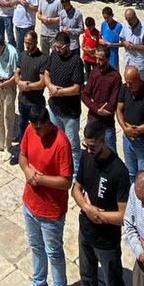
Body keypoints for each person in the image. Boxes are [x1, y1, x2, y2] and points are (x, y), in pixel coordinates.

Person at [72, 118, 129, 286]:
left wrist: (100, 216)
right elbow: (76, 190)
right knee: (87, 279)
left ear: (103, 141)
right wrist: (87, 209)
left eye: (93, 146)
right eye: (86, 145)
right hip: (86, 232)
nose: (89, 150)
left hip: (106, 241)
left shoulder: (118, 171)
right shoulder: (87, 158)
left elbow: (123, 216)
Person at [17, 105, 71, 286]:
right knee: (36, 247)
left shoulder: (61, 143)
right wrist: (27, 171)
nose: (36, 132)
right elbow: (22, 156)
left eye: (39, 128)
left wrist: (40, 179)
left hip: (51, 211)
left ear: (47, 123)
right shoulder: (30, 130)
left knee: (54, 254)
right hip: (30, 203)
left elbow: (66, 182)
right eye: (34, 128)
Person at [43, 31, 85, 178]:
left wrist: (59, 92)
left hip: (70, 112)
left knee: (72, 145)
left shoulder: (76, 61)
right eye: (56, 46)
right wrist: (51, 87)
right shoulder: (54, 55)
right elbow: (46, 73)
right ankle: (58, 167)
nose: (57, 49)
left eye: (60, 47)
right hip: (54, 108)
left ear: (67, 46)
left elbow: (77, 88)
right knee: (56, 140)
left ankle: (75, 174)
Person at [118, 65, 144, 180]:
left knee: (143, 176)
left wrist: (136, 130)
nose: (128, 85)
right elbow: (119, 110)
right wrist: (125, 128)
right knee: (130, 173)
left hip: (142, 141)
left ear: (138, 79)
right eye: (127, 82)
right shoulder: (124, 88)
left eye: (130, 83)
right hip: (127, 138)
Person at [81, 48, 121, 152]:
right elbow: (85, 95)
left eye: (101, 59)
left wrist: (99, 108)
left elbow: (112, 103)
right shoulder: (94, 73)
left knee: (110, 153)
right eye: (96, 59)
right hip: (93, 120)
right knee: (91, 152)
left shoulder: (115, 76)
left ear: (108, 59)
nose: (98, 62)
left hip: (107, 123)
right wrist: (96, 109)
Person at [0, 34, 19, 162]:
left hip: (8, 86)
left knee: (8, 116)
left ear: (2, 46)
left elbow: (16, 73)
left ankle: (8, 146)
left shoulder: (12, 53)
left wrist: (6, 84)